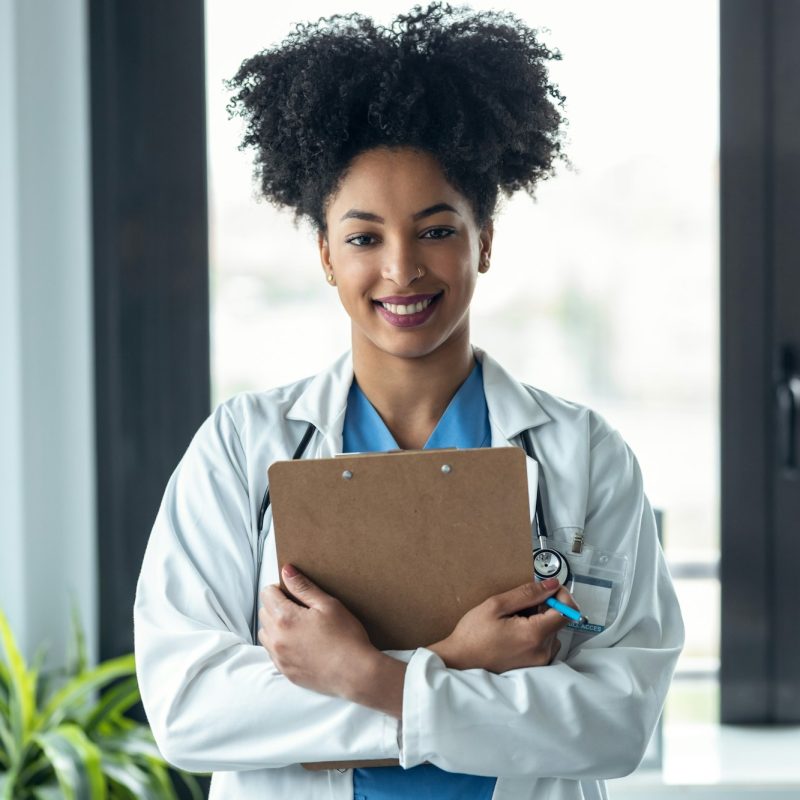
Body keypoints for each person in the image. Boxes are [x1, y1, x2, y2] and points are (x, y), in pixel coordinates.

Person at [132, 4, 684, 799]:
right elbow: (191, 710)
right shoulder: (241, 447)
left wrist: (366, 679)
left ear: (483, 240)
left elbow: (615, 721)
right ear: (324, 254)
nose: (402, 269)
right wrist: (456, 668)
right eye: (363, 238)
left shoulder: (583, 454)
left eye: (435, 230)